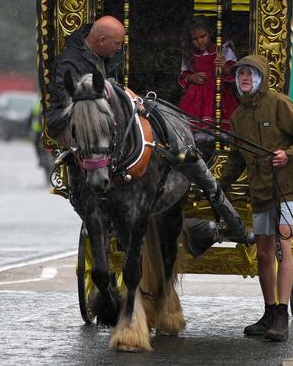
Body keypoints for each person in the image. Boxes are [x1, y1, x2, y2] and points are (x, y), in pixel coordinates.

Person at [46, 15, 251, 244]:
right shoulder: (70, 63)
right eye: (116, 45)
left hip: (109, 116)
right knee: (89, 145)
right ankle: (86, 204)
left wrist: (130, 101)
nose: (119, 49)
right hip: (72, 120)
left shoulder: (105, 52)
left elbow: (114, 87)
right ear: (101, 40)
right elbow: (78, 105)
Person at [217, 55, 293, 342]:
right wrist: (218, 185)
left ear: (260, 78)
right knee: (262, 252)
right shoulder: (238, 117)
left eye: (249, 74)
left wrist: (289, 153)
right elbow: (236, 157)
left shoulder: (279, 103)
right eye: (240, 75)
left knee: (283, 246)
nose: (244, 79)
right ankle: (269, 311)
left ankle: (282, 314)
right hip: (260, 191)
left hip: (286, 189)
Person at [177, 18, 239, 130]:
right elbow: (184, 75)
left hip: (219, 94)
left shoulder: (223, 50)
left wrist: (223, 66)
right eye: (195, 39)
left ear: (210, 33)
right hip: (196, 98)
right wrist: (192, 77)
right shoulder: (190, 54)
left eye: (203, 36)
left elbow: (235, 73)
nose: (200, 41)